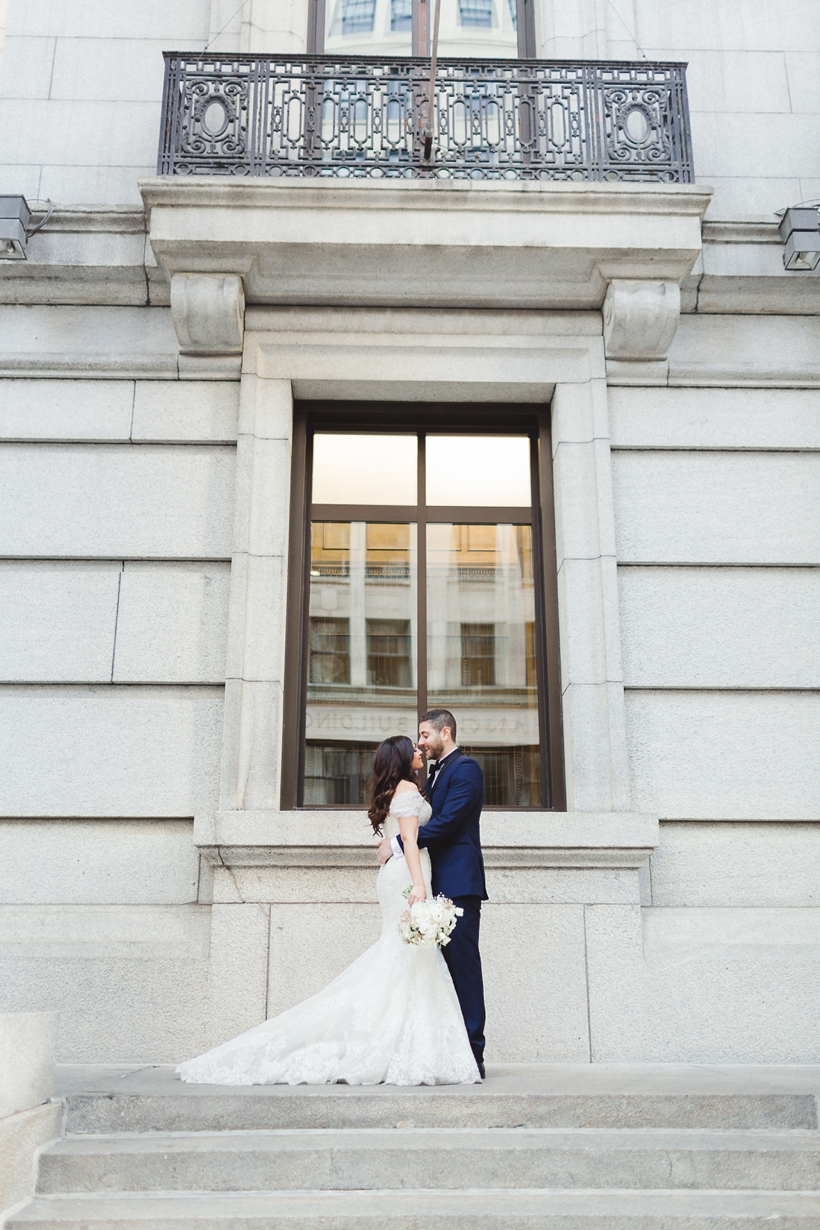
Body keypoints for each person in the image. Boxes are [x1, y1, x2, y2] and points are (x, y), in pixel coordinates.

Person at [175, 734, 480, 1086]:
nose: (418, 750)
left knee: (403, 956)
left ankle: (402, 1044)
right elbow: (411, 841)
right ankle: (400, 1047)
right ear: (399, 758)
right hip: (407, 875)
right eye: (412, 746)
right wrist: (420, 886)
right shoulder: (408, 792)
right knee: (406, 956)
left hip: (396, 873)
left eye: (420, 741)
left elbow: (404, 836)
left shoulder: (399, 789)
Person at [378, 708, 487, 1078]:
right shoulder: (432, 777)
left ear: (445, 731)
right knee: (433, 973)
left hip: (458, 883)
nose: (421, 743)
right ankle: (440, 1051)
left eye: (425, 735)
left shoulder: (466, 769)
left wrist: (397, 843)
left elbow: (445, 824)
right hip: (432, 883)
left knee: (463, 967)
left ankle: (473, 1053)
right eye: (418, 739)